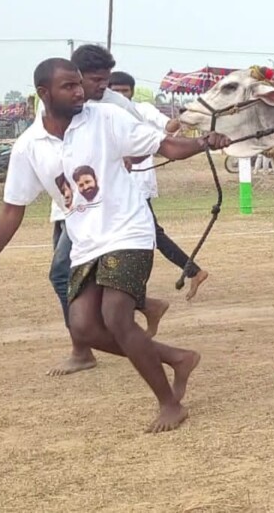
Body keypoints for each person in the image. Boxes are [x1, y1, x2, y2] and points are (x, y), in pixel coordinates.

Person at [0, 57, 232, 433]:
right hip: (86, 243)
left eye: (79, 83)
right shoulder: (29, 146)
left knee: (117, 316)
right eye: (68, 86)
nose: (79, 91)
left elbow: (167, 146)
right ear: (43, 93)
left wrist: (204, 143)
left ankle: (170, 404)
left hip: (128, 231)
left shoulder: (105, 119)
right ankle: (178, 358)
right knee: (83, 327)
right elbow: (10, 212)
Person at [42, 43, 170, 376]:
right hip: (72, 209)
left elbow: (147, 142)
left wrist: (128, 154)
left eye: (106, 79)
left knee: (63, 275)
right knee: (70, 276)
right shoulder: (57, 105)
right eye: (96, 79)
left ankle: (82, 346)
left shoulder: (115, 106)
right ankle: (141, 309)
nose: (103, 87)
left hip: (112, 208)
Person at [107, 70, 211, 299]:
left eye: (125, 91)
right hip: (111, 185)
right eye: (116, 91)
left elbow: (169, 127)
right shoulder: (103, 114)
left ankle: (135, 291)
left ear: (132, 92)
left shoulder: (142, 110)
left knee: (148, 235)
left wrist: (190, 114)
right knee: (148, 235)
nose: (121, 95)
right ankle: (191, 271)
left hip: (137, 184)